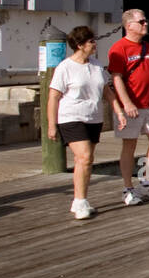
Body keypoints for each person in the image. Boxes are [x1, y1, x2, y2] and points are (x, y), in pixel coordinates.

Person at [47, 26, 125, 219]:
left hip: (93, 118)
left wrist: (119, 112)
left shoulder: (97, 66)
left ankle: (79, 199)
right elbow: (53, 97)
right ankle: (80, 201)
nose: (94, 44)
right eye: (91, 41)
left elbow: (107, 92)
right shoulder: (65, 67)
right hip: (71, 117)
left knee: (86, 161)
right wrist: (51, 124)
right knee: (84, 157)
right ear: (80, 45)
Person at [109, 8, 149, 205]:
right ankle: (128, 188)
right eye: (142, 22)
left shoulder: (148, 48)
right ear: (129, 26)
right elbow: (116, 78)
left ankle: (145, 181)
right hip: (133, 106)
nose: (146, 24)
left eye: (145, 21)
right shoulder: (119, 48)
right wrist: (126, 103)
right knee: (130, 145)